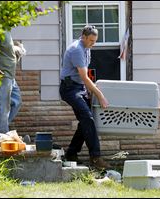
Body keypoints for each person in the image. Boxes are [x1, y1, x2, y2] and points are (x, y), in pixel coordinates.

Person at [59, 25, 111, 170]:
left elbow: (85, 78)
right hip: (69, 89)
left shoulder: (86, 48)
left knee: (85, 121)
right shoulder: (77, 49)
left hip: (79, 87)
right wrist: (99, 95)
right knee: (87, 118)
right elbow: (84, 77)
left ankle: (71, 153)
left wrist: (88, 90)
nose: (93, 44)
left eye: (95, 41)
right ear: (83, 37)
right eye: (91, 41)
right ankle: (95, 158)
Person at [0, 31, 26, 136]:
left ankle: (0, 129)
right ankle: (0, 136)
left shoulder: (6, 31)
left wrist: (16, 49)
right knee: (2, 106)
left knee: (16, 102)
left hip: (10, 76)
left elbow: (4, 50)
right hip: (2, 75)